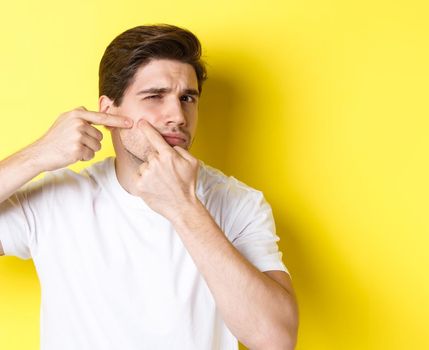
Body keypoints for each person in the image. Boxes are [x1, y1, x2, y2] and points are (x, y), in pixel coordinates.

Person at [0, 24, 298, 350]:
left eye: (187, 98)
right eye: (155, 96)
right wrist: (35, 156)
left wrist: (184, 208)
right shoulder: (56, 199)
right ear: (108, 109)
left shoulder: (238, 203)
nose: (178, 115)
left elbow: (276, 340)